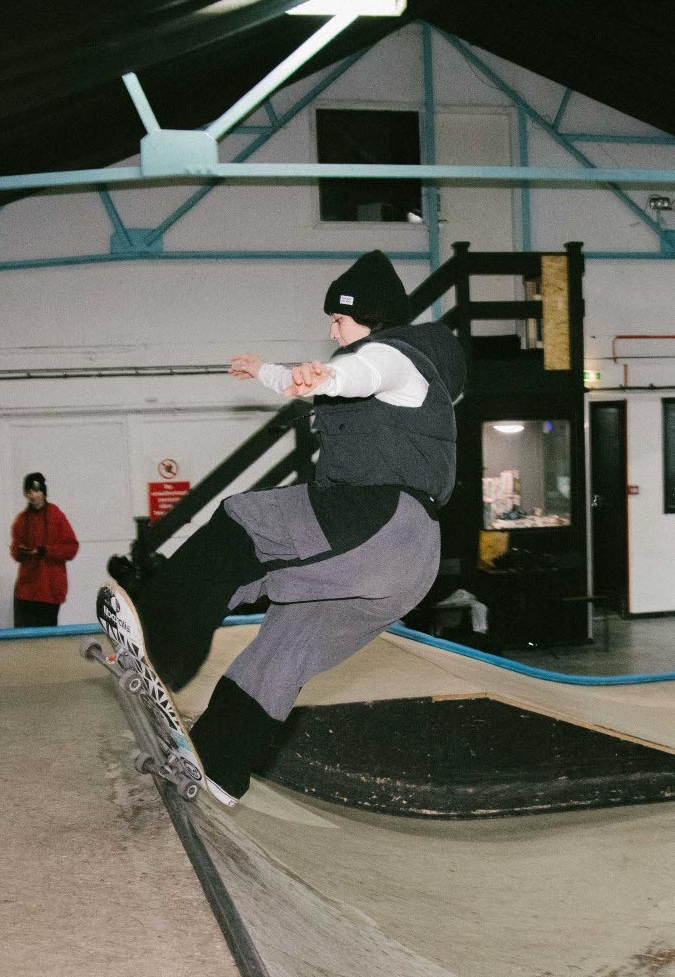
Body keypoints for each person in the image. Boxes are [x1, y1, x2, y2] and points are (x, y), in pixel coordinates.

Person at [97, 250, 465, 804]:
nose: (330, 329)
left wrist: (335, 373)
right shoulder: (397, 373)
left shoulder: (394, 356)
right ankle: (220, 767)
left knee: (243, 521)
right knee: (284, 648)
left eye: (338, 320)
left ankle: (160, 646)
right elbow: (317, 381)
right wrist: (265, 371)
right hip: (409, 566)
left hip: (377, 521)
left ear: (369, 317)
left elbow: (365, 371)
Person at [9, 471, 79, 627]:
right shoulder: (21, 520)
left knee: (46, 642)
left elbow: (71, 548)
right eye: (29, 492)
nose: (33, 496)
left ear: (44, 492)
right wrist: (20, 552)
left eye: (37, 491)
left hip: (49, 591)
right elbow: (15, 549)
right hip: (26, 592)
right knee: (23, 640)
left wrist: (45, 550)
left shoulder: (56, 516)